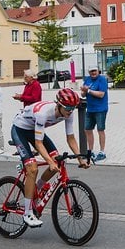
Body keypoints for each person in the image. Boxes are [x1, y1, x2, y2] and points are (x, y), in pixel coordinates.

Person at [11, 88, 88, 228]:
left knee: (57, 162)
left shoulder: (68, 113)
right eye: (68, 107)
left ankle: (37, 188)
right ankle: (27, 213)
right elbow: (39, 143)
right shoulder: (43, 113)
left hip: (34, 130)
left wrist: (80, 158)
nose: (71, 111)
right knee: (32, 169)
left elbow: (70, 138)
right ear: (58, 105)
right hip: (20, 129)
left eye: (73, 107)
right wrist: (49, 161)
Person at [80, 65, 109, 162]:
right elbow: (83, 94)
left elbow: (101, 94)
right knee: (87, 129)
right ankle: (90, 150)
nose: (93, 73)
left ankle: (102, 152)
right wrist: (84, 91)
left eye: (95, 71)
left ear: (98, 71)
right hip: (90, 109)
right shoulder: (87, 79)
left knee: (100, 129)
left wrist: (88, 90)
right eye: (91, 71)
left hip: (100, 109)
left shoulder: (102, 80)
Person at [9, 68, 42, 147]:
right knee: (22, 124)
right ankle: (20, 142)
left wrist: (21, 97)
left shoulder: (36, 84)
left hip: (34, 109)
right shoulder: (27, 85)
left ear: (31, 77)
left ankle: (35, 146)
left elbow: (34, 98)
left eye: (26, 77)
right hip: (27, 109)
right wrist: (20, 97)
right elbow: (26, 96)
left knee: (33, 129)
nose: (24, 78)